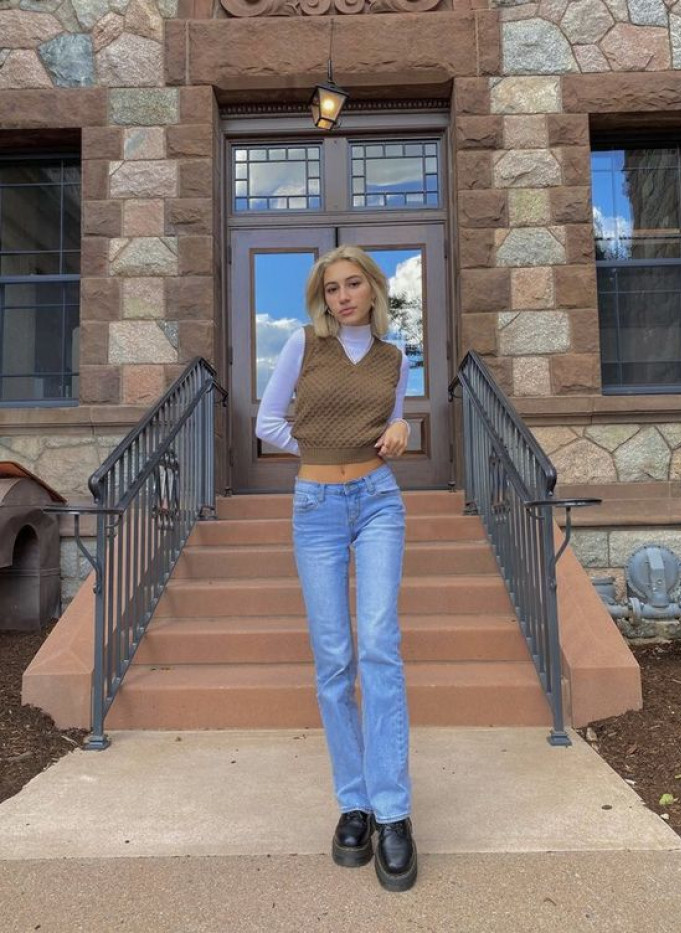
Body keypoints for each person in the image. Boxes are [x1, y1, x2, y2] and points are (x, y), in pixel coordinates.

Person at [255, 245, 416, 892]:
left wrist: (401, 428)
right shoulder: (302, 345)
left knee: (380, 645)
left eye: (353, 284)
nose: (343, 296)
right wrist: (322, 447)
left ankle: (395, 812)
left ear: (374, 290)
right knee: (334, 656)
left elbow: (393, 421)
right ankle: (355, 802)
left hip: (379, 502)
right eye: (331, 288)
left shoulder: (396, 356)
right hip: (317, 505)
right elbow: (267, 421)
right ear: (320, 299)